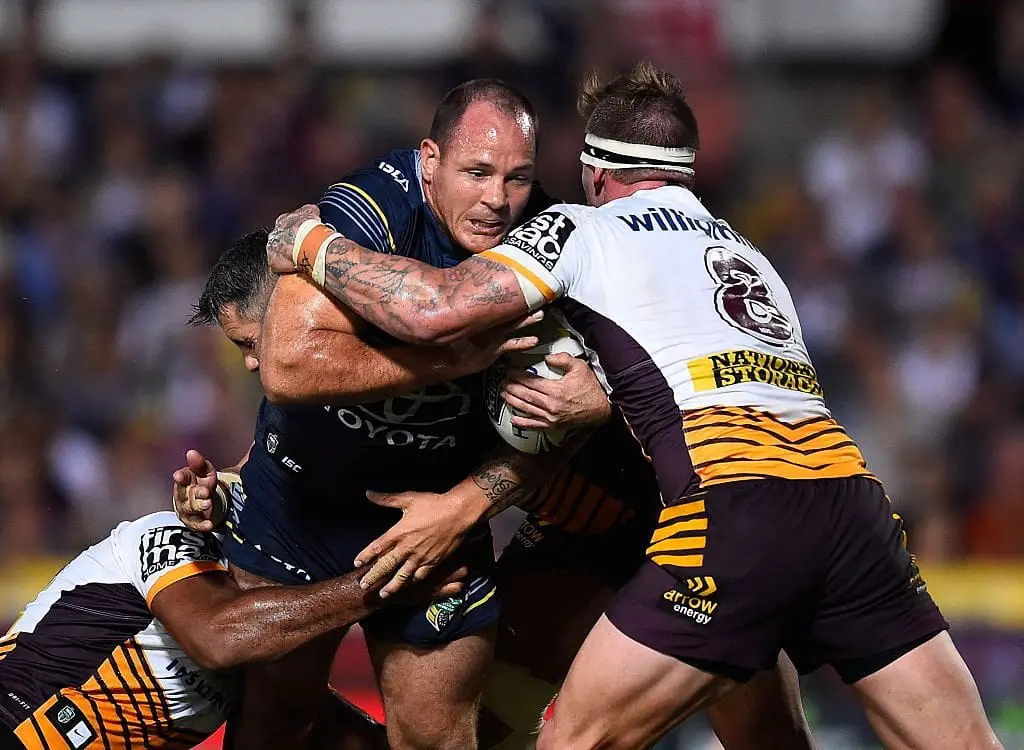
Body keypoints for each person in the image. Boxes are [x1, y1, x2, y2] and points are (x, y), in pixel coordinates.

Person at [263, 62, 1000, 750]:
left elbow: (435, 309)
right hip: (853, 509)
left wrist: (312, 242)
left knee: (573, 740)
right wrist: (607, 395)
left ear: (594, 173)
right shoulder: (748, 254)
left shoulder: (582, 228)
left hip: (731, 512)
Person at [182, 226, 815, 750]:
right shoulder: (323, 378)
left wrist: (468, 501)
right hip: (567, 542)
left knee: (742, 725)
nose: (256, 365)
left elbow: (625, 388)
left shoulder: (468, 323)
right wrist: (228, 488)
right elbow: (285, 452)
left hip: (669, 532)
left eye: (256, 342)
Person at [0, 499, 464, 750]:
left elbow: (308, 720)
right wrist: (381, 585)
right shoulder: (169, 535)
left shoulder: (273, 632)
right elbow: (218, 640)